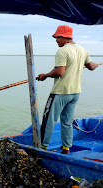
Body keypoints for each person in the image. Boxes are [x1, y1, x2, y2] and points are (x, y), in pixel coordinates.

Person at [37, 25, 98, 154]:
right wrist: (96, 64)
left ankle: (41, 149)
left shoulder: (63, 51)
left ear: (65, 37)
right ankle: (66, 148)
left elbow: (59, 72)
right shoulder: (82, 50)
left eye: (57, 37)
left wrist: (45, 75)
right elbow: (91, 66)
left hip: (61, 92)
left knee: (49, 120)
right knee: (67, 121)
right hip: (75, 93)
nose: (56, 40)